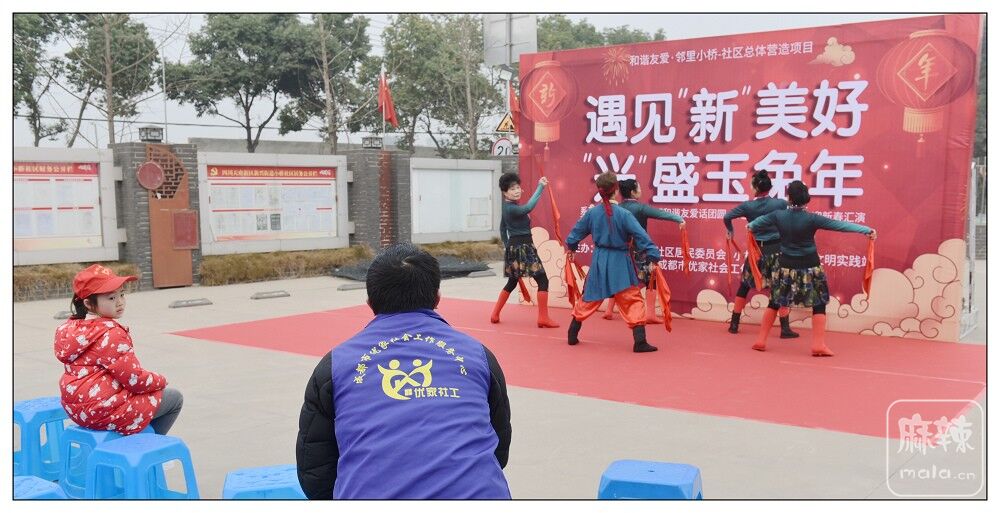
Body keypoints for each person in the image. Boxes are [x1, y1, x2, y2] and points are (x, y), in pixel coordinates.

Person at [296, 243, 512, 499]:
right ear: (437, 298)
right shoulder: (478, 356)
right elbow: (498, 448)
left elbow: (315, 473)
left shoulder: (334, 366)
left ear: (370, 302)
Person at [747, 181, 876, 356]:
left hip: (784, 266)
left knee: (774, 302)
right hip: (810, 267)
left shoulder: (778, 216)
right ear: (806, 198)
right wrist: (866, 230)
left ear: (789, 198)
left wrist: (752, 227)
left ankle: (761, 341)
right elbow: (840, 225)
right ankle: (818, 345)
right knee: (819, 304)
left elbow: (753, 225)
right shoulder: (812, 219)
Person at [53, 264, 183, 435]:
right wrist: (160, 380)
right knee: (174, 398)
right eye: (111, 298)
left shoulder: (71, 329)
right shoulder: (111, 333)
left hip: (77, 411)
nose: (120, 302)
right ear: (88, 304)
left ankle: (137, 436)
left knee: (146, 397)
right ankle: (147, 445)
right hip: (104, 411)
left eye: (122, 294)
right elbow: (135, 380)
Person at [565, 172, 662, 353]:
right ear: (616, 191)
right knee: (632, 299)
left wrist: (571, 247)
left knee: (590, 297)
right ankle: (640, 341)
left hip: (600, 260)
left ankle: (572, 332)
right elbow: (641, 235)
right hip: (620, 262)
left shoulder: (592, 213)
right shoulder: (624, 214)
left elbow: (575, 233)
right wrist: (653, 255)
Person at [723, 170, 798, 338]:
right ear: (769, 188)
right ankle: (785, 329)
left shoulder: (747, 206)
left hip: (756, 251)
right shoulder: (780, 204)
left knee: (744, 285)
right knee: (779, 287)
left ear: (756, 188)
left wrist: (730, 231)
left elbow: (727, 217)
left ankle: (734, 324)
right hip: (776, 251)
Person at [601, 178, 684, 324]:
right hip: (640, 251)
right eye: (638, 188)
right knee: (650, 279)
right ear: (633, 192)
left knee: (618, 278)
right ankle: (650, 314)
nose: (641, 190)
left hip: (621, 251)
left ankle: (609, 310)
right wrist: (679, 219)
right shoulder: (640, 208)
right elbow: (661, 214)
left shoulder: (617, 208)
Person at [490, 172, 559, 328]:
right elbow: (528, 207)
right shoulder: (512, 208)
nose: (516, 191)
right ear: (504, 192)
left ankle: (495, 314)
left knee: (512, 282)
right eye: (512, 189)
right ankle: (543, 318)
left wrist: (508, 246)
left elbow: (502, 229)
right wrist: (540, 187)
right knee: (543, 280)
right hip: (524, 247)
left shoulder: (507, 207)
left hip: (514, 247)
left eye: (517, 187)